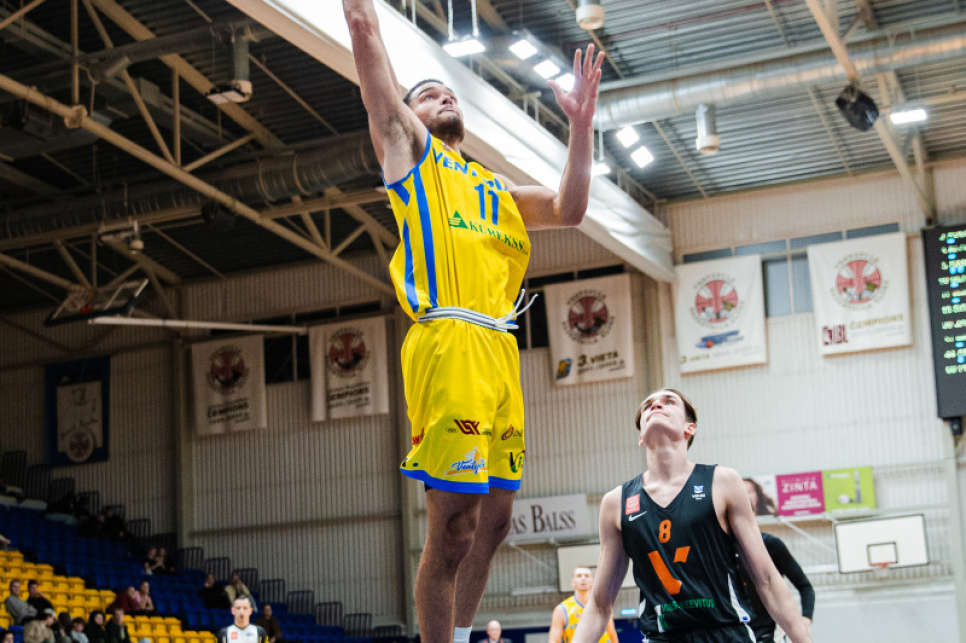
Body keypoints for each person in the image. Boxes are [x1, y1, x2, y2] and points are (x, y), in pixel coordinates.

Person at [342, 4, 604, 643]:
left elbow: (569, 209)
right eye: (428, 94)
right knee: (454, 525)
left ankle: (461, 637)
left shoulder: (497, 190)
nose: (444, 96)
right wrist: (361, 19)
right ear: (407, 116)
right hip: (449, 339)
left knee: (495, 523)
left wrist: (581, 127)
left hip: (498, 348)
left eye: (449, 92)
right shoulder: (411, 155)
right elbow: (365, 34)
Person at [568, 389, 812, 643]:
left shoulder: (723, 482)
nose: (656, 406)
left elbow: (767, 579)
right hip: (662, 637)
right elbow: (599, 604)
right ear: (641, 436)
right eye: (648, 405)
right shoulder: (616, 502)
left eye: (668, 402)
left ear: (690, 428)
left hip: (727, 633)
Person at [739, 481, 814, 643]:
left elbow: (804, 586)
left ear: (754, 513)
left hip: (766, 634)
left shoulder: (771, 544)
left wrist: (806, 619)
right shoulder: (722, 549)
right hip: (736, 634)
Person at [548, 568, 617, 643]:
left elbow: (611, 634)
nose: (583, 578)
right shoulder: (561, 609)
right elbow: (554, 640)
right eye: (579, 576)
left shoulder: (602, 605)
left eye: (586, 576)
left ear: (592, 582)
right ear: (573, 582)